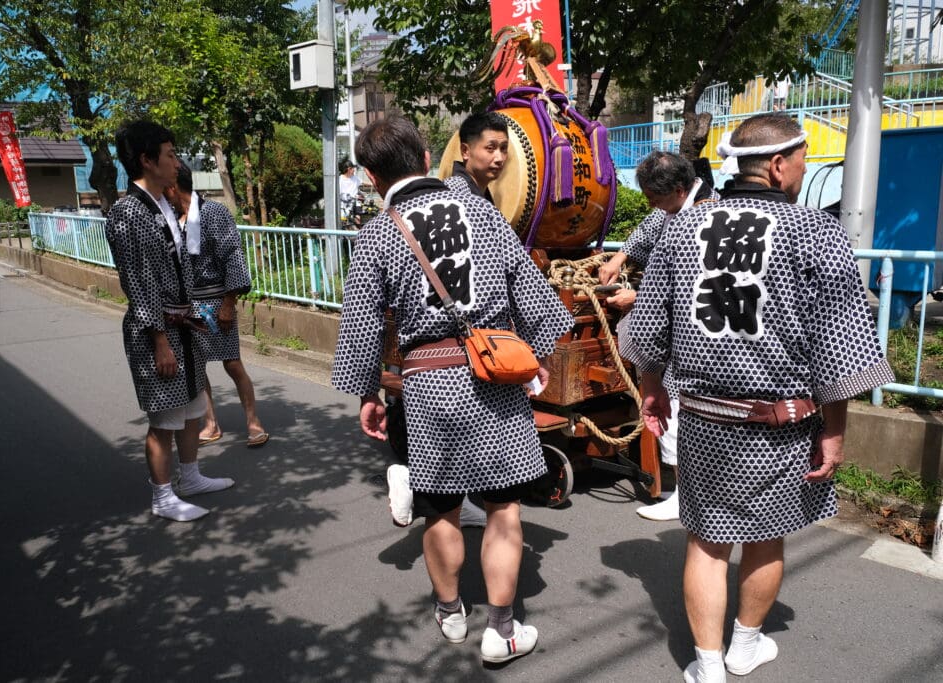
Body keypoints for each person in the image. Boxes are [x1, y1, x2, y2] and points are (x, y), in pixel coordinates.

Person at [619, 113, 894, 682]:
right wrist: (835, 432)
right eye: (800, 160)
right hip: (781, 422)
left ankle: (709, 665)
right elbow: (839, 347)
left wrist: (651, 388)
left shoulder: (680, 229)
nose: (801, 171)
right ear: (777, 164)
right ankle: (745, 644)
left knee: (706, 543)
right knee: (765, 538)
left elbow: (648, 330)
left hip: (702, 419)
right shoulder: (816, 231)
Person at [332, 116, 573, 663]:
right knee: (503, 507)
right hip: (493, 377)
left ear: (371, 178)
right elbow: (535, 298)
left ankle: (450, 613)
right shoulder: (484, 213)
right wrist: (533, 360)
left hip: (427, 385)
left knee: (439, 508)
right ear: (424, 157)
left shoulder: (377, 233)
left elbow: (362, 325)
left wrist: (367, 394)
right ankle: (503, 628)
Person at [387, 111, 512, 530]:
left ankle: (435, 487)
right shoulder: (461, 198)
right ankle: (410, 474)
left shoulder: (479, 197)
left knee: (455, 438)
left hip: (453, 344)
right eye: (490, 148)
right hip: (456, 341)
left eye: (504, 149)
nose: (498, 157)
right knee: (456, 441)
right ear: (464, 150)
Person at [105, 121, 234, 522]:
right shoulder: (128, 213)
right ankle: (162, 497)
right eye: (170, 154)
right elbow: (139, 283)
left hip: (183, 324)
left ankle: (191, 476)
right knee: (164, 416)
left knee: (193, 407)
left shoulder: (162, 203)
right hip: (157, 331)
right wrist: (159, 340)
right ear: (146, 160)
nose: (176, 162)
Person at [597, 151, 719, 521]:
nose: (653, 206)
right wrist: (619, 259)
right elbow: (649, 227)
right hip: (675, 330)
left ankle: (685, 494)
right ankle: (686, 491)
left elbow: (694, 282)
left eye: (656, 199)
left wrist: (638, 297)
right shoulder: (674, 208)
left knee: (676, 408)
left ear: (680, 189)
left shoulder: (708, 215)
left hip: (695, 332)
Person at [163, 161, 269, 449]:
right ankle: (210, 423)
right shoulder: (171, 218)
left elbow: (233, 256)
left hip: (215, 301)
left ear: (173, 187)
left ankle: (253, 422)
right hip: (187, 306)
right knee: (197, 367)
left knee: (232, 363)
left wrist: (228, 303)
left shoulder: (214, 213)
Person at [339, 158, 362, 227]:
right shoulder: (340, 179)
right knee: (344, 220)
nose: (354, 170)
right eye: (353, 169)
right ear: (349, 169)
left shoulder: (355, 178)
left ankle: (359, 231)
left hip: (355, 202)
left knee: (358, 218)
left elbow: (362, 182)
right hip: (345, 203)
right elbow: (340, 194)